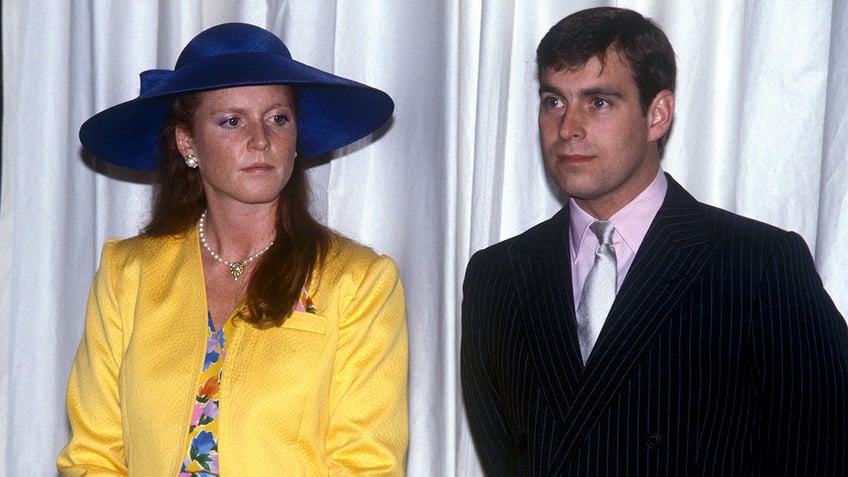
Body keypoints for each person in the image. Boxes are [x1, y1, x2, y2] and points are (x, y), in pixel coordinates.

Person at [461, 7, 848, 476]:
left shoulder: (759, 266)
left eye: (598, 102)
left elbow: (823, 452)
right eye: (553, 101)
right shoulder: (498, 276)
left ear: (657, 114)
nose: (568, 128)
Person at [57, 23, 408, 475]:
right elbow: (93, 454)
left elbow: (367, 463)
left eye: (278, 118)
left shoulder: (357, 281)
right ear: (187, 141)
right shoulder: (127, 275)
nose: (261, 139)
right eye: (232, 121)